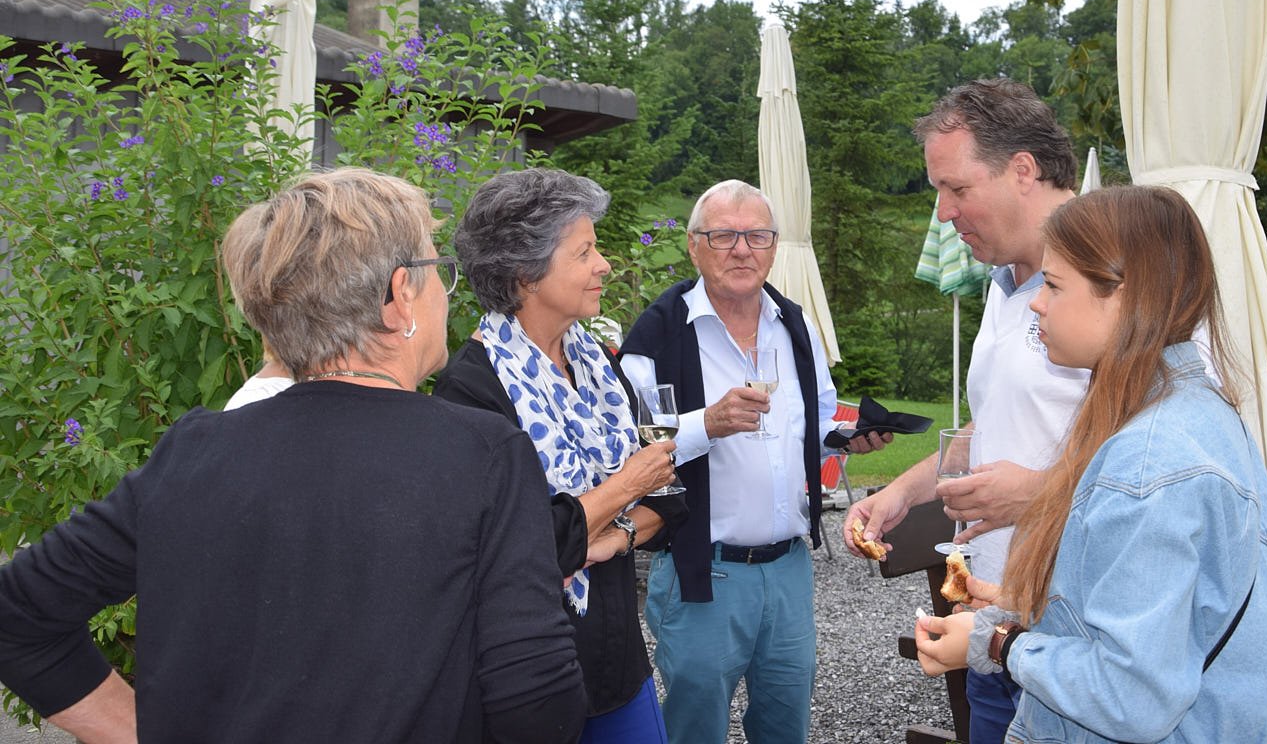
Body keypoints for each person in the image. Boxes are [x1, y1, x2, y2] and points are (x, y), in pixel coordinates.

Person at [0, 167, 586, 744]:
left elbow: (18, 616)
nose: (445, 297)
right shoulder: (482, 455)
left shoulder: (194, 452)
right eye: (438, 274)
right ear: (398, 298)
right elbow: (534, 703)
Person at [913, 185, 1267, 742]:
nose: (1037, 304)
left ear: (1124, 295)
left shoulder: (1147, 462)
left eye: (1053, 285)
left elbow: (1131, 696)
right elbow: (1175, 616)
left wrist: (1000, 644)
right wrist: (1033, 611)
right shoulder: (1199, 412)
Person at [843, 77, 1090, 739]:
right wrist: (900, 493)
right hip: (992, 621)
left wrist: (1040, 494)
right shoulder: (1005, 282)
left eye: (956, 189)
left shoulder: (1115, 277)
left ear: (1023, 171)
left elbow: (1165, 460)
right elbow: (994, 423)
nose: (944, 213)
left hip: (1080, 637)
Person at [617, 179, 889, 744]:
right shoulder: (658, 333)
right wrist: (707, 423)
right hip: (702, 569)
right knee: (695, 730)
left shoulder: (794, 325)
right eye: (724, 236)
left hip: (789, 569)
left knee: (785, 726)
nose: (742, 250)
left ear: (773, 245)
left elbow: (813, 423)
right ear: (694, 246)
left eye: (757, 236)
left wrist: (845, 439)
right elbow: (629, 449)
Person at [432, 167, 686, 743]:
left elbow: (671, 501)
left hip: (619, 667)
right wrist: (624, 489)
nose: (605, 265)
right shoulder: (471, 389)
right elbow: (516, 547)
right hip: (528, 687)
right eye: (584, 252)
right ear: (526, 272)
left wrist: (612, 538)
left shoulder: (597, 365)